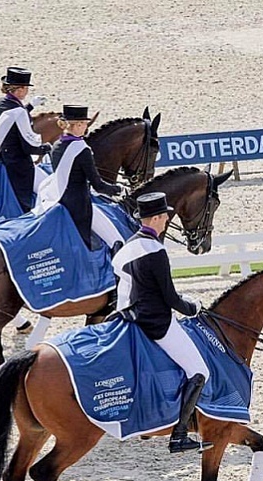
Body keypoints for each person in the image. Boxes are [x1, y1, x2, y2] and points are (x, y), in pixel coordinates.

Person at [112, 192, 213, 454]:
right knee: (200, 371)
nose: (168, 218)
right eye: (165, 215)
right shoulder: (156, 251)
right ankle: (178, 436)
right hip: (156, 323)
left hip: (129, 318)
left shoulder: (128, 246)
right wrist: (193, 308)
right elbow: (169, 297)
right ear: (155, 218)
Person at [38, 105, 124, 251]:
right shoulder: (82, 150)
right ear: (77, 125)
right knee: (115, 239)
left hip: (56, 198)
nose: (86, 127)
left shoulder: (57, 145)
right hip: (78, 205)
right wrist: (118, 189)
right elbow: (98, 185)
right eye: (84, 123)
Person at [0, 67, 52, 212]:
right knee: (29, 199)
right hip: (18, 163)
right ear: (21, 90)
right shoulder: (20, 112)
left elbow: (12, 120)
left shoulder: (0, 104)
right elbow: (28, 146)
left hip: (3, 156)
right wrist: (46, 148)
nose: (27, 91)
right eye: (26, 88)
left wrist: (30, 106)